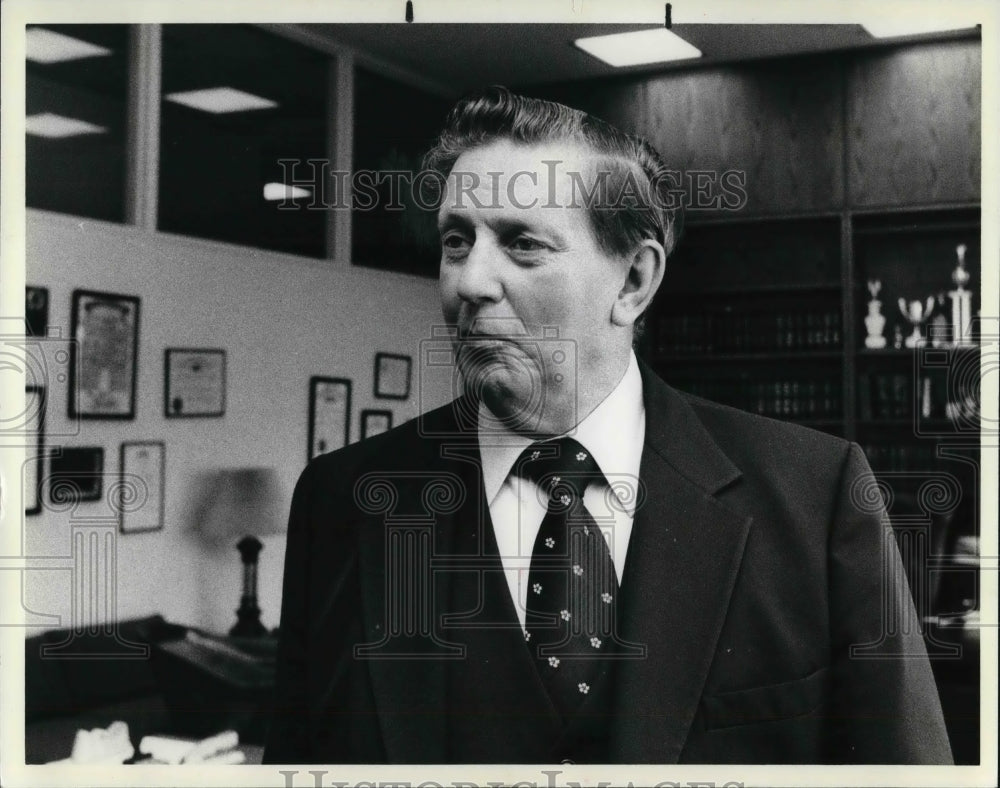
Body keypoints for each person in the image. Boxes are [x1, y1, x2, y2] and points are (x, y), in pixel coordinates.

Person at [263, 86, 952, 764]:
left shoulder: (817, 497)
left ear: (633, 283)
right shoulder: (343, 499)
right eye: (455, 240)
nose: (468, 282)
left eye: (523, 244)